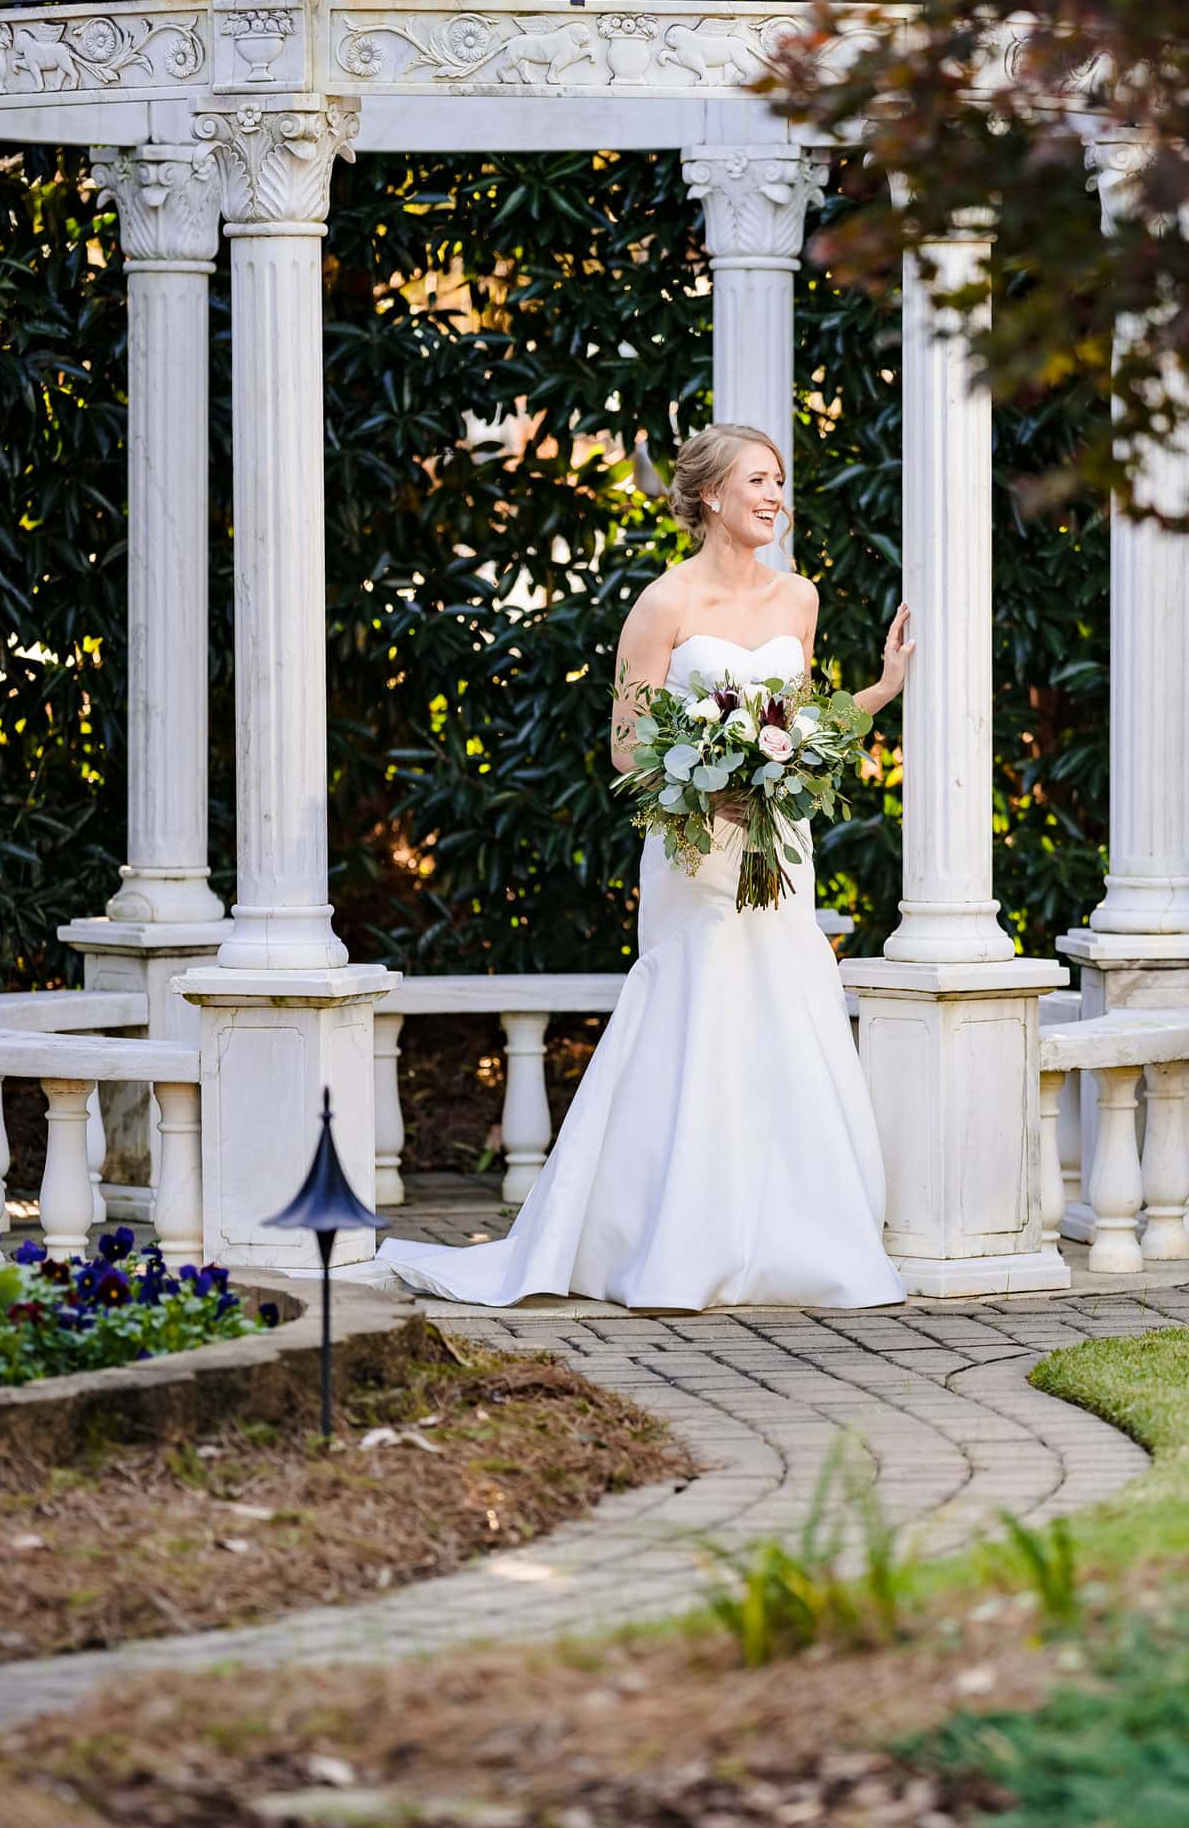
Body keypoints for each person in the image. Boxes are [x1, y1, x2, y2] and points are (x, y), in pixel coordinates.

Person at [379, 421, 913, 1310]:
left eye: (779, 481)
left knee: (785, 1012)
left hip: (777, 844)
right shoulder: (663, 604)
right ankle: (665, 1244)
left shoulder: (801, 600)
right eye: (757, 481)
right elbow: (628, 748)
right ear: (711, 496)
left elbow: (803, 724)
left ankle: (798, 1243)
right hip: (693, 849)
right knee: (697, 1013)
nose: (774, 496)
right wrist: (708, 791)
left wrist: (881, 693)